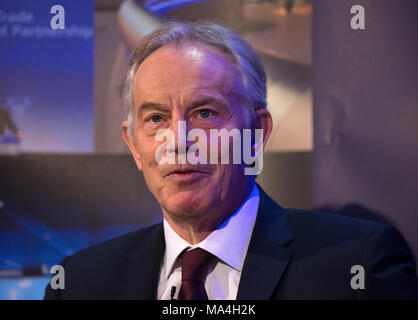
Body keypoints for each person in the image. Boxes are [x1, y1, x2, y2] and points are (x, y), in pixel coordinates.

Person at [44, 21, 418, 300]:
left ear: (256, 132)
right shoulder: (79, 285)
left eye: (205, 113)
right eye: (155, 118)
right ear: (133, 144)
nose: (178, 141)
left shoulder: (357, 267)